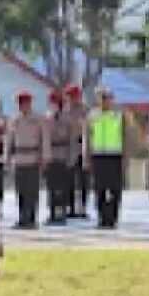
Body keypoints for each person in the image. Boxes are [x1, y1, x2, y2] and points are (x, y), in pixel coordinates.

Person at [85, 88, 127, 230]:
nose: (105, 101)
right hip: (98, 156)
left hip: (115, 155)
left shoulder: (118, 115)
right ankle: (102, 218)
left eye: (107, 98)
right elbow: (88, 137)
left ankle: (112, 218)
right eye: (102, 98)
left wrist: (125, 157)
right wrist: (87, 156)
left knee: (115, 189)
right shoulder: (92, 116)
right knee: (99, 189)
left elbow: (125, 136)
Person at [5, 91, 47, 230]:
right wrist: (7, 158)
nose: (22, 106)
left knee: (32, 191)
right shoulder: (14, 120)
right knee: (21, 191)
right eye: (20, 103)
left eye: (25, 102)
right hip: (19, 159)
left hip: (33, 158)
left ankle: (32, 219)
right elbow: (9, 140)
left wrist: (45, 157)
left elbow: (44, 139)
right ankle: (22, 218)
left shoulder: (38, 119)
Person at [44, 91, 74, 225]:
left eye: (55, 102)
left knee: (62, 187)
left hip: (63, 155)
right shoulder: (46, 118)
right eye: (52, 102)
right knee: (51, 186)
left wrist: (71, 157)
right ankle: (52, 213)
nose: (53, 105)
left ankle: (62, 213)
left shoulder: (67, 119)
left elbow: (72, 139)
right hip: (51, 156)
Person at [64, 84, 89, 218]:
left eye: (74, 96)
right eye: (70, 96)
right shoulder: (65, 111)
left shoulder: (85, 110)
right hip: (69, 148)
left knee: (83, 180)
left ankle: (82, 208)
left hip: (82, 147)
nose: (72, 99)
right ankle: (70, 207)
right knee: (69, 181)